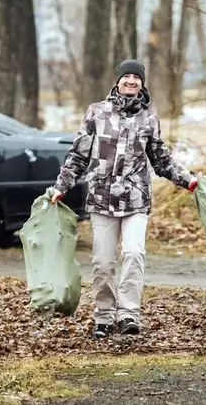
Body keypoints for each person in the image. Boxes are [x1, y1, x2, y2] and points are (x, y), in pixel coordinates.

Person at [49, 59, 198, 338]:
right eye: (126, 77)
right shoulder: (96, 113)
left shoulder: (149, 119)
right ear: (117, 81)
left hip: (136, 200)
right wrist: (61, 186)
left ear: (142, 83)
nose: (131, 81)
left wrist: (187, 179)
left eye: (136, 78)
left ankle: (129, 314)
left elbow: (161, 159)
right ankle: (103, 316)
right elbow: (78, 155)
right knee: (103, 263)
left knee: (133, 254)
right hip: (102, 199)